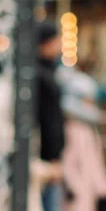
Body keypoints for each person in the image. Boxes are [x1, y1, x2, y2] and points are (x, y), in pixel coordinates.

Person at [56, 62, 106, 211]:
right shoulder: (74, 129)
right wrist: (75, 187)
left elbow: (94, 160)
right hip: (77, 192)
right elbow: (69, 162)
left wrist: (100, 185)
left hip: (86, 189)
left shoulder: (87, 129)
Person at [35, 21, 65, 211]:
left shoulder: (42, 72)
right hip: (45, 160)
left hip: (43, 157)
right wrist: (53, 157)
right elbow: (48, 120)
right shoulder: (43, 77)